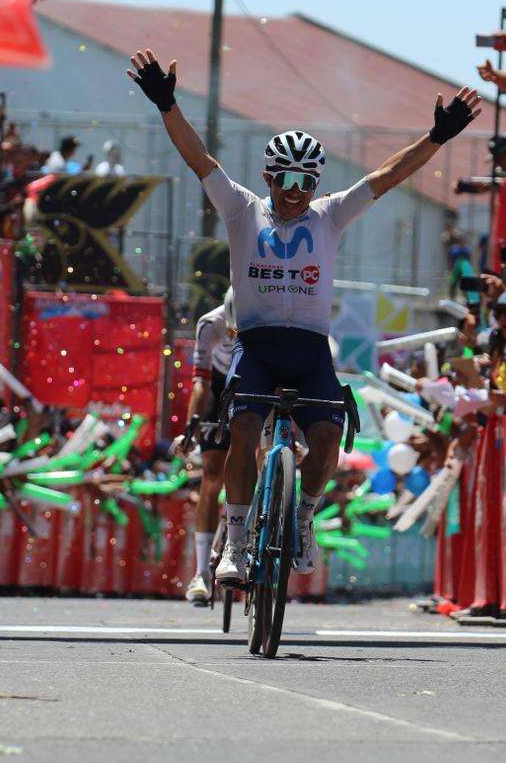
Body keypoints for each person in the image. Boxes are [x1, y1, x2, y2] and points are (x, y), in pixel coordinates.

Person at [126, 47, 481, 586]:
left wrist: (437, 138)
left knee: (325, 442)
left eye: (305, 183)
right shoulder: (241, 208)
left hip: (311, 348)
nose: (294, 194)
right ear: (268, 177)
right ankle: (238, 543)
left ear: (316, 185)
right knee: (243, 427)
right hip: (258, 346)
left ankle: (304, 517)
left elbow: (386, 176)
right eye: (284, 181)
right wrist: (167, 105)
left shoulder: (330, 215)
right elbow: (200, 158)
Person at [175, 289, 237, 606]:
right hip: (219, 382)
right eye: (231, 328)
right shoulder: (209, 323)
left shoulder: (266, 319)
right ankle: (200, 572)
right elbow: (200, 382)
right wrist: (191, 425)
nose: (233, 334)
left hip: (253, 379)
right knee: (213, 476)